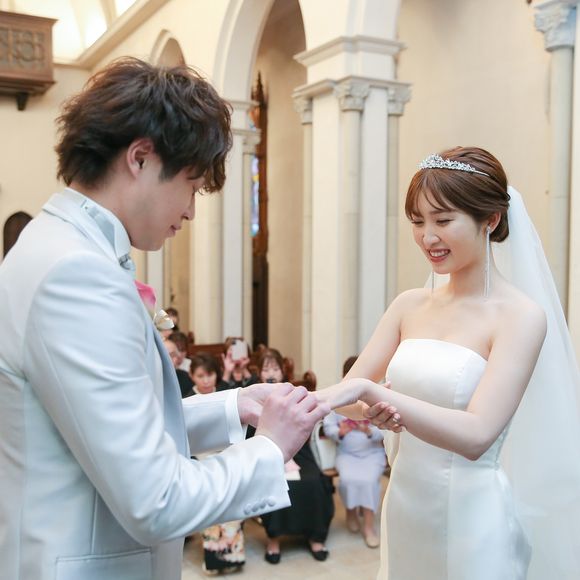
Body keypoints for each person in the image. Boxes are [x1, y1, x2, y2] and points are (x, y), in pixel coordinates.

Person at [0, 57, 330, 580]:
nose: (193, 210)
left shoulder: (53, 244)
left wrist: (235, 405)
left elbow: (115, 424)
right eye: (192, 185)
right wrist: (270, 449)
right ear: (140, 157)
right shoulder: (76, 275)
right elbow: (157, 500)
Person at [316, 147, 580, 580]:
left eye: (442, 220)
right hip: (405, 506)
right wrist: (362, 406)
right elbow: (349, 396)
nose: (427, 237)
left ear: (490, 219)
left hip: (471, 516)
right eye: (417, 221)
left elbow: (477, 435)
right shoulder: (408, 305)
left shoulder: (520, 316)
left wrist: (377, 396)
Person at [259, 349, 335, 564]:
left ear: (283, 371)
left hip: (298, 448)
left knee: (313, 482)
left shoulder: (292, 392)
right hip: (267, 450)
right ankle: (274, 538)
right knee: (275, 484)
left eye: (275, 368)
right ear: (259, 373)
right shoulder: (254, 393)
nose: (271, 373)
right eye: (266, 369)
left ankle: (315, 537)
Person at [188, 356, 246, 575]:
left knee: (233, 503)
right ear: (192, 376)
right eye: (200, 375)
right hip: (200, 460)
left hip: (227, 455)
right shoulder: (187, 399)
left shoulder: (224, 395)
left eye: (210, 374)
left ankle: (233, 556)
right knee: (211, 505)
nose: (205, 380)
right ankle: (213, 559)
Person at [323, 356, 386, 549]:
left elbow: (386, 432)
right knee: (348, 480)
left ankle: (368, 526)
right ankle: (351, 512)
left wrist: (369, 431)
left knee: (368, 481)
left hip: (372, 454)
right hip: (347, 454)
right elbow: (328, 427)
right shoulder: (337, 398)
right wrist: (340, 432)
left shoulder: (377, 398)